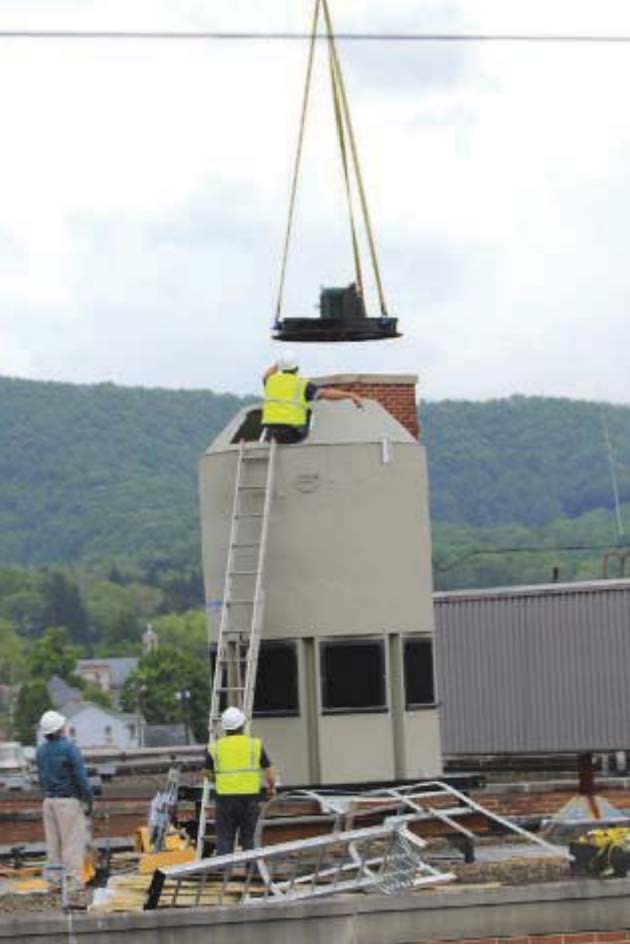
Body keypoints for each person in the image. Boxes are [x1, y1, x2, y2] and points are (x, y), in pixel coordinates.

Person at [36, 710, 93, 907]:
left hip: (48, 801)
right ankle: (73, 884)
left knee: (53, 844)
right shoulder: (70, 749)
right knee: (72, 844)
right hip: (68, 802)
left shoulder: (40, 751)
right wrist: (88, 800)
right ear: (61, 728)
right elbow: (81, 778)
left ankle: (53, 882)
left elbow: (41, 779)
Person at [203, 706, 276, 855]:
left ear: (225, 728)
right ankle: (253, 873)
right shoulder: (254, 745)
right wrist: (271, 788)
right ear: (242, 725)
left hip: (225, 800)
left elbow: (206, 772)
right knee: (250, 839)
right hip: (249, 799)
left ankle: (224, 874)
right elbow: (269, 772)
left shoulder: (214, 747)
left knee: (224, 838)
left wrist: (217, 780)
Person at [261, 349, 364, 444]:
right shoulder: (302, 384)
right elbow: (326, 394)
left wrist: (279, 363)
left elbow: (267, 374)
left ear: (280, 367)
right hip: (292, 433)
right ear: (297, 368)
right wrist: (349, 395)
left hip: (271, 432)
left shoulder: (270, 381)